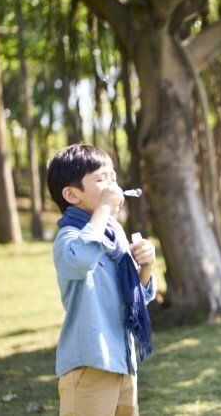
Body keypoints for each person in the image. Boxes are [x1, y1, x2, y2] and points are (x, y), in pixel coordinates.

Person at [47, 143, 157, 415]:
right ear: (72, 194)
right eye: (101, 179)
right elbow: (81, 259)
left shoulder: (114, 234)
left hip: (122, 362)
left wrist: (147, 265)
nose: (112, 186)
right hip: (89, 364)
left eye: (113, 178)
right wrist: (104, 210)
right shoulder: (70, 237)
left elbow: (135, 297)